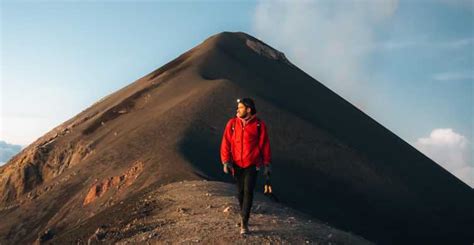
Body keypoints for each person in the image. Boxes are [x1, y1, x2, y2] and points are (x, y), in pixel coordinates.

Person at [220, 97, 272, 235]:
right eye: (238, 108)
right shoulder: (232, 123)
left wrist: (267, 164)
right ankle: (243, 214)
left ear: (248, 109)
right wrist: (226, 161)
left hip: (252, 164)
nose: (238, 110)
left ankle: (244, 221)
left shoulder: (259, 125)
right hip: (237, 164)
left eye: (241, 108)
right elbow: (226, 142)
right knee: (240, 192)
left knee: (248, 191)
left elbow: (265, 145)